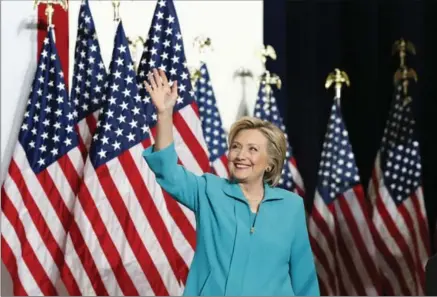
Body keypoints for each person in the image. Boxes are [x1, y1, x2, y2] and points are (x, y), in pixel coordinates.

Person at [142, 68, 319, 296]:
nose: (240, 155)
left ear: (270, 163)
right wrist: (164, 114)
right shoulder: (209, 190)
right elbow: (167, 171)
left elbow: (304, 281)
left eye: (252, 149)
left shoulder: (291, 206)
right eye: (236, 146)